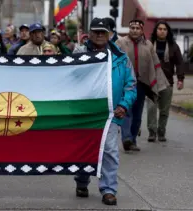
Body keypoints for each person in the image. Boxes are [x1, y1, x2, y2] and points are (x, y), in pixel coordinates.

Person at [73, 17, 137, 206]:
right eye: (96, 32)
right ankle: (82, 181)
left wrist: (123, 105)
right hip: (85, 113)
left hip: (110, 113)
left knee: (109, 151)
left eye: (103, 32)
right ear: (89, 33)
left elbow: (131, 85)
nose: (99, 35)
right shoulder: (79, 55)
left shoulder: (121, 58)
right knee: (85, 150)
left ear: (110, 34)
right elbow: (68, 81)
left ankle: (108, 189)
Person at [115, 19, 168, 152]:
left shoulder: (148, 45)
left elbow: (155, 65)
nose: (134, 30)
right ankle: (126, 138)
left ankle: (132, 140)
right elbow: (113, 61)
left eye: (137, 28)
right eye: (132, 28)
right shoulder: (120, 43)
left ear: (142, 30)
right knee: (126, 110)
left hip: (141, 84)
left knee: (137, 114)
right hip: (124, 84)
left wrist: (159, 84)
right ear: (129, 29)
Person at [147, 21, 185, 142]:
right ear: (156, 30)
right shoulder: (148, 44)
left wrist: (180, 79)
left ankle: (161, 131)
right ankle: (152, 132)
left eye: (164, 29)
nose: (162, 31)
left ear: (167, 32)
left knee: (164, 109)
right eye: (160, 29)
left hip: (167, 81)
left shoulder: (173, 46)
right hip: (151, 81)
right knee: (151, 107)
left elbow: (179, 63)